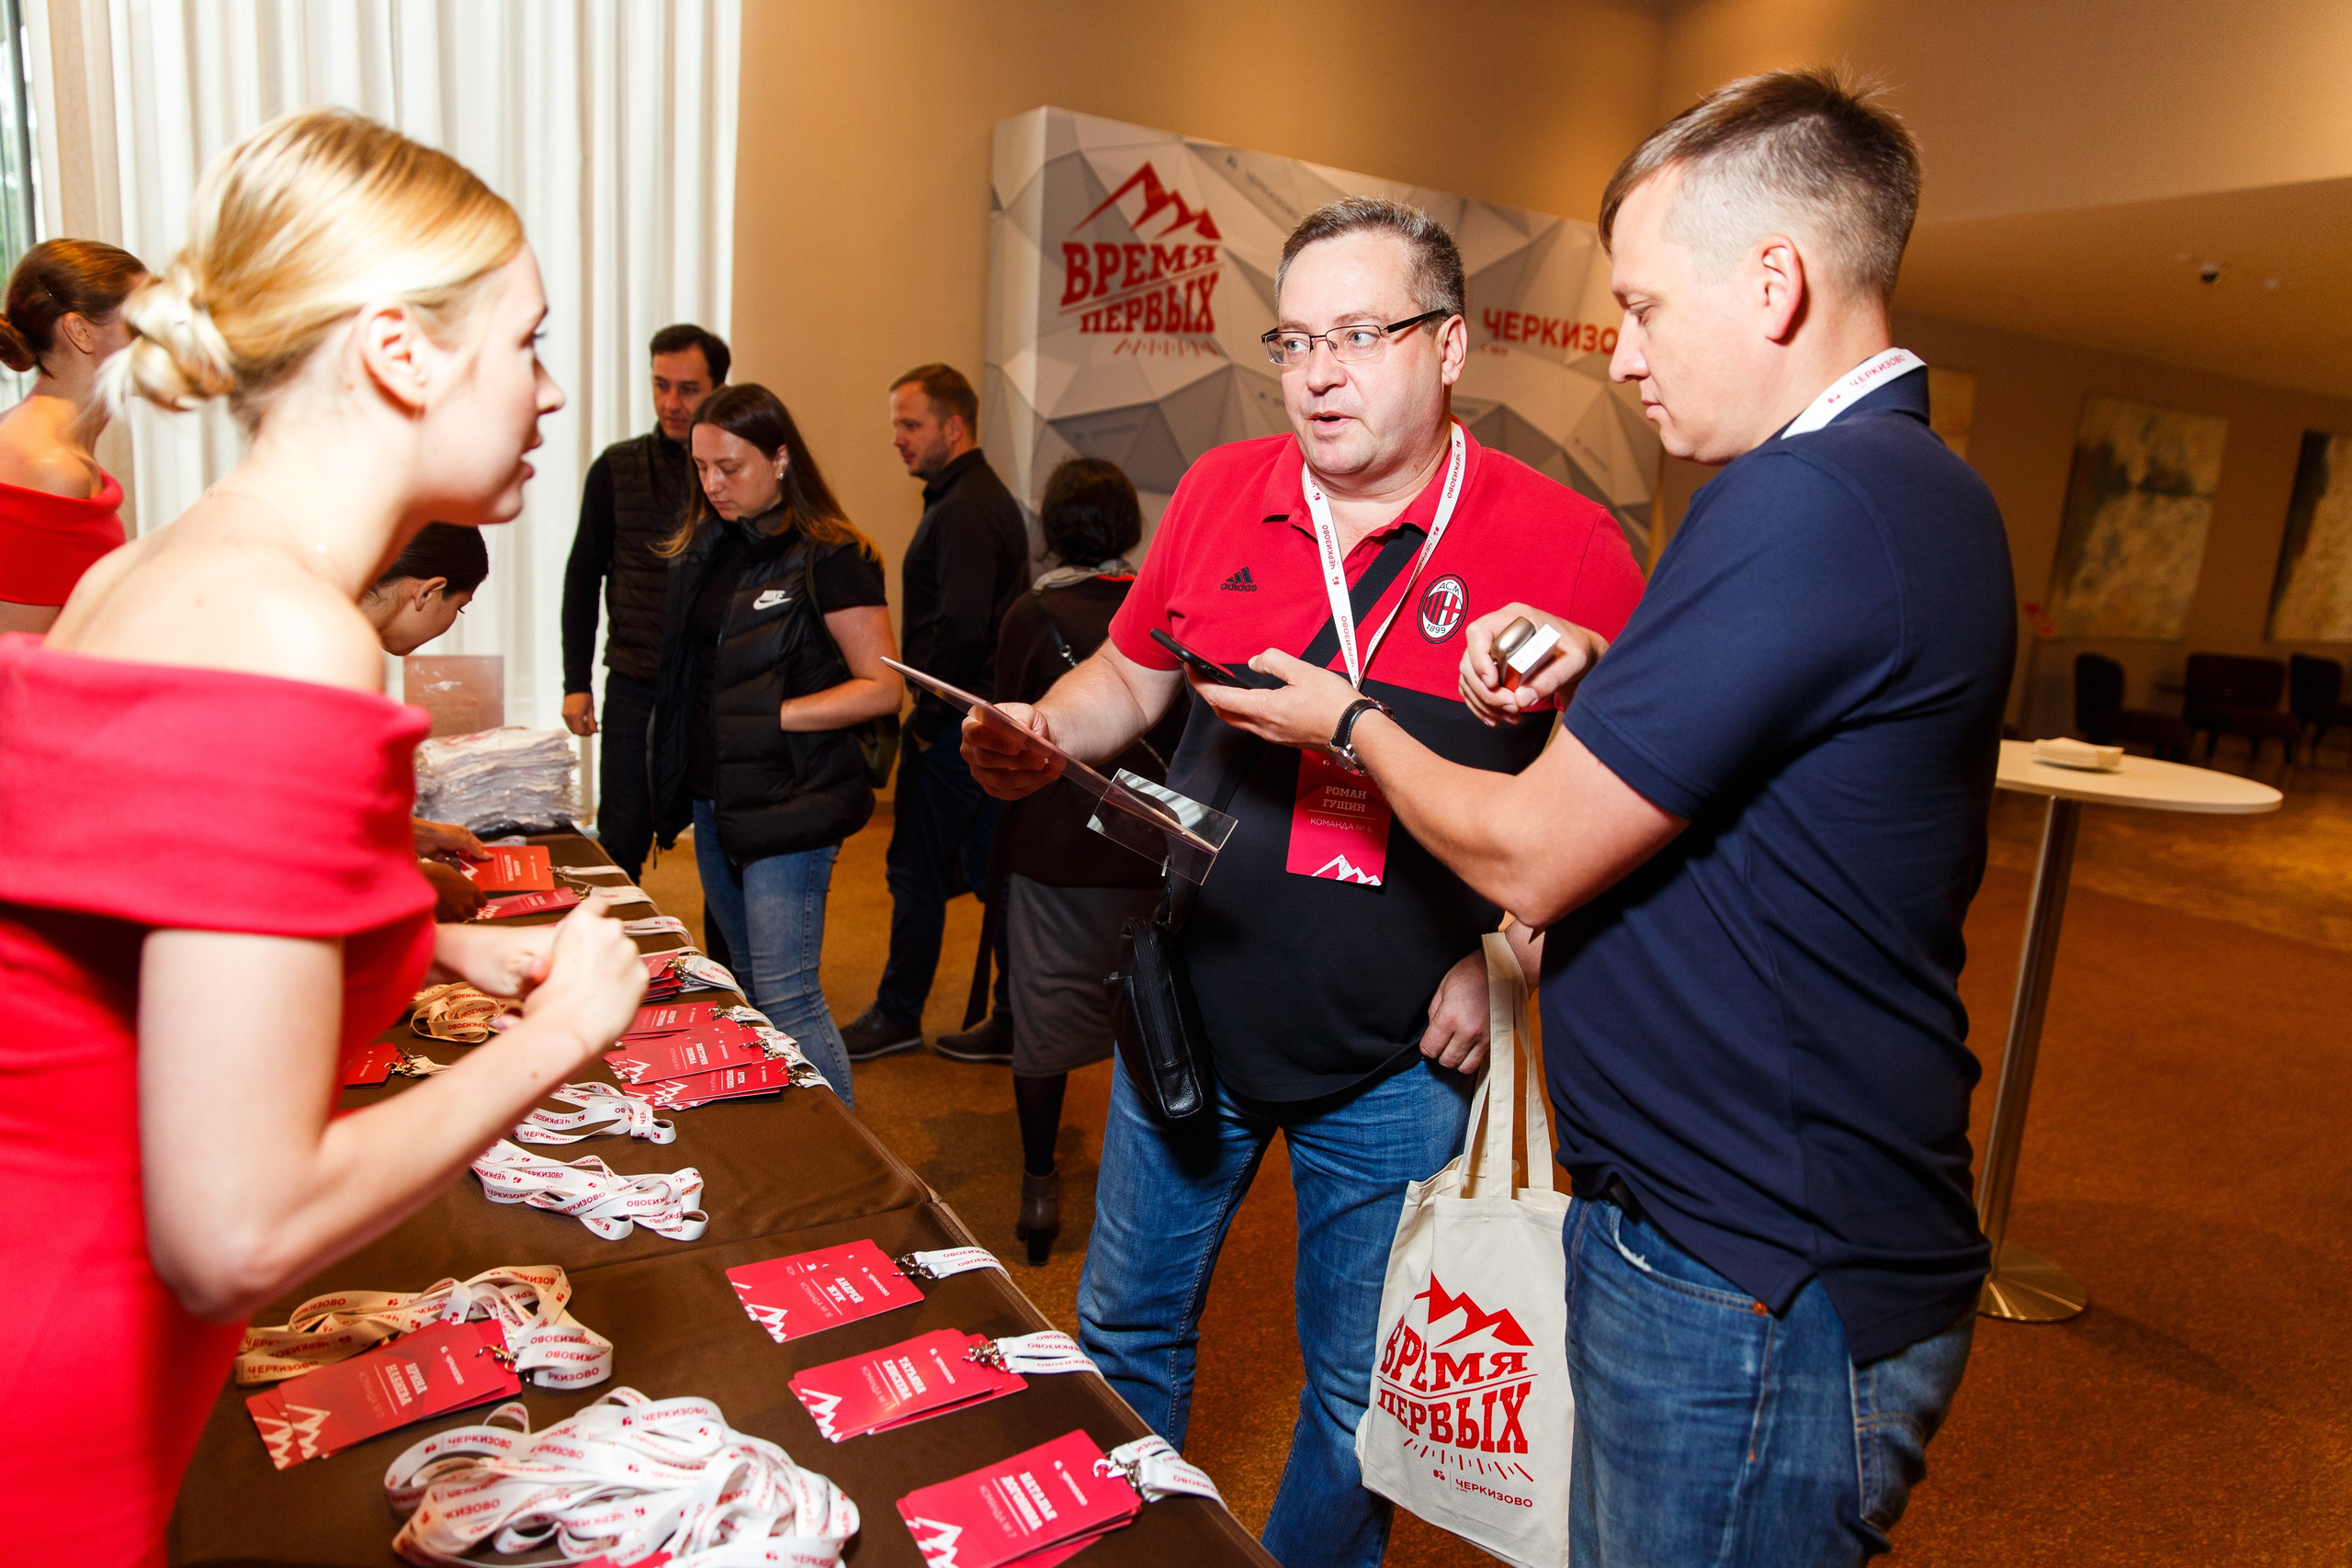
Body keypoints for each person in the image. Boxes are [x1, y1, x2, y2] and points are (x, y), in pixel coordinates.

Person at [1183, 72, 2014, 1566]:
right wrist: (1618, 673)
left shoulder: (1803, 504)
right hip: (1756, 1223)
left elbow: (1528, 848)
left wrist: (1349, 718)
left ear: (1774, 285)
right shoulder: (1903, 488)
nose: (1621, 355)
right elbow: (1799, 767)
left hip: (1752, 1257)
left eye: (1642, 304)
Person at [0, 108, 647, 1564]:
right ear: (400, 351)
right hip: (55, 1389)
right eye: (527, 342)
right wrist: (556, 1038)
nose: (550, 392)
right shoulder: (294, 637)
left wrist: (422, 933)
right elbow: (232, 1231)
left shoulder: (160, 564)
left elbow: (133, 922)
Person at [963, 197, 1645, 1568]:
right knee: (1125, 1331)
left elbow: (1627, 803)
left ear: (1449, 345)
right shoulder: (1224, 488)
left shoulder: (1566, 544)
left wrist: (1513, 949)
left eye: (1360, 334)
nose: (1319, 370)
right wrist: (1046, 729)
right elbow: (1131, 673)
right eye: (1294, 339)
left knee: (1358, 1396)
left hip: (1401, 1053)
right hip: (1188, 1011)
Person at [649, 382, 900, 1109]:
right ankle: (800, 1148)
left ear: (781, 457)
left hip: (792, 801)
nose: (713, 484)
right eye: (701, 468)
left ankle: (852, 1169)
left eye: (730, 466)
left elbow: (882, 689)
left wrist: (773, 717)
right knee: (751, 987)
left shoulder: (834, 556)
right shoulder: (710, 545)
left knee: (788, 995)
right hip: (718, 797)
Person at [985, 457, 1186, 1265]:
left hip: (1055, 851)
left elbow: (1008, 738)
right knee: (1154, 1017)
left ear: (1053, 524)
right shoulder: (1163, 612)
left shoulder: (1030, 615)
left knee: (1042, 1023)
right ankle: (1146, 1192)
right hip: (1152, 845)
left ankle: (1039, 1188)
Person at [838, 362, 1027, 1066]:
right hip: (968, 723)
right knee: (988, 873)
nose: (897, 438)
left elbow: (964, 629)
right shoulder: (962, 498)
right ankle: (1008, 1017)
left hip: (954, 727)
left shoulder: (967, 508)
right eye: (896, 424)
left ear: (954, 426)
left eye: (910, 424)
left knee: (922, 873)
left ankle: (901, 1014)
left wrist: (924, 720)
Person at [560, 321, 729, 884]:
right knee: (621, 836)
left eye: (687, 389)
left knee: (721, 839)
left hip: (711, 687)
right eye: (660, 385)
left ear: (718, 389)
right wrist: (574, 682)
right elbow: (583, 576)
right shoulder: (616, 468)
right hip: (635, 679)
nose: (670, 402)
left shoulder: (734, 477)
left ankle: (730, 972)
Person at [0, 239, 146, 632]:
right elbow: (15, 662)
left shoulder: (51, 447)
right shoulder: (48, 469)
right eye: (144, 320)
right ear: (80, 331)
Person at [361, 520, 497, 920]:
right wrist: (413, 880)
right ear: (428, 591)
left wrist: (411, 833)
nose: (454, 619)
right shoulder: (330, 657)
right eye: (460, 606)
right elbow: (294, 825)